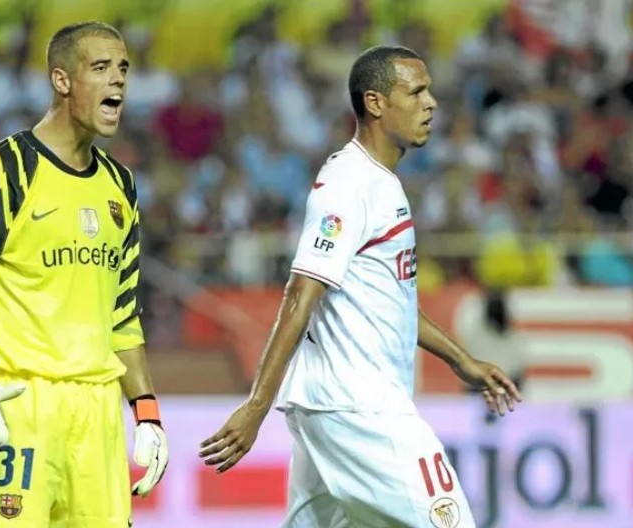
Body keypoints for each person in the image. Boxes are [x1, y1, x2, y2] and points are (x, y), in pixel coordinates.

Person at [199, 46, 522, 528]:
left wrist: (462, 360)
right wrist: (256, 405)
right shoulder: (348, 184)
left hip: (335, 406)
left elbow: (391, 302)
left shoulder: (380, 183)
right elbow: (299, 295)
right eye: (415, 92)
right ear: (375, 103)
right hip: (358, 409)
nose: (431, 102)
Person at [0, 21, 168, 527]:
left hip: (99, 412)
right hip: (21, 406)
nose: (117, 82)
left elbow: (122, 315)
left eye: (123, 69)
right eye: (100, 69)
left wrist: (145, 409)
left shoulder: (121, 186)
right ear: (61, 80)